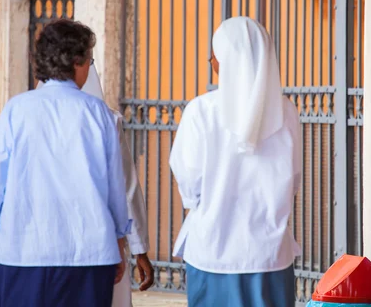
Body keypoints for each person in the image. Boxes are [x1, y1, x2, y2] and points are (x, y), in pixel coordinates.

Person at [0, 19, 131, 307]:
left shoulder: (16, 110)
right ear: (77, 60)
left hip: (23, 252)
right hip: (90, 253)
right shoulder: (99, 114)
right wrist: (119, 244)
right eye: (90, 61)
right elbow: (115, 189)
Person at [170, 16, 302, 307]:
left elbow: (189, 186)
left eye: (214, 54)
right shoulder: (287, 112)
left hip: (212, 253)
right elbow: (293, 179)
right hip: (269, 256)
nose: (211, 61)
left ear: (227, 58)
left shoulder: (200, 111)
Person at [37, 63, 155, 306]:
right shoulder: (105, 119)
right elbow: (126, 188)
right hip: (99, 244)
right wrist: (139, 248)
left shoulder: (24, 114)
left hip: (41, 242)